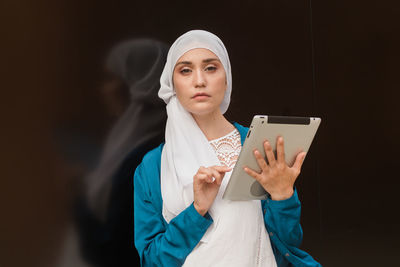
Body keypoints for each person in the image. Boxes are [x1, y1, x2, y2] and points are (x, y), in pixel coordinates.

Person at [134, 30, 321, 267]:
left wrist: (282, 195)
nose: (199, 80)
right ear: (172, 84)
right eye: (185, 70)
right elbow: (152, 261)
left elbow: (288, 242)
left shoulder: (260, 144)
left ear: (226, 77)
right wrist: (197, 209)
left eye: (211, 68)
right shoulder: (152, 167)